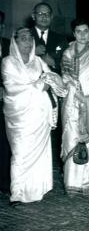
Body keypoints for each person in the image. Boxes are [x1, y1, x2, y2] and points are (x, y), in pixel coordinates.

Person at [1, 27, 66, 204]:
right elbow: (13, 88)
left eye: (30, 38)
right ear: (15, 41)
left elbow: (55, 78)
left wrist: (49, 80)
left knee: (40, 153)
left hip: (40, 115)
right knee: (20, 153)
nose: (28, 42)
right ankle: (17, 192)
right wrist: (40, 84)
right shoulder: (8, 62)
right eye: (23, 38)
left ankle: (37, 189)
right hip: (19, 117)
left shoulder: (38, 61)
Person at [61, 19, 89, 196]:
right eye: (78, 31)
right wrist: (76, 96)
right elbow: (65, 79)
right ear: (73, 34)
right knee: (72, 138)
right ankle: (72, 183)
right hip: (72, 103)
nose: (82, 35)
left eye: (85, 31)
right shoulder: (67, 55)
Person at [30, 2, 69, 175]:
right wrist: (35, 52)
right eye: (40, 14)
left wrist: (53, 60)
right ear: (33, 16)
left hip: (56, 90)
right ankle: (34, 165)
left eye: (47, 14)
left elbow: (65, 63)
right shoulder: (24, 36)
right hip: (33, 90)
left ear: (52, 17)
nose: (44, 17)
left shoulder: (60, 38)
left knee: (58, 127)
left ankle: (60, 165)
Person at [0, 10, 11, 194]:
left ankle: (4, 182)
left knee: (5, 141)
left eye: (2, 24)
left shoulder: (9, 45)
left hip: (8, 102)